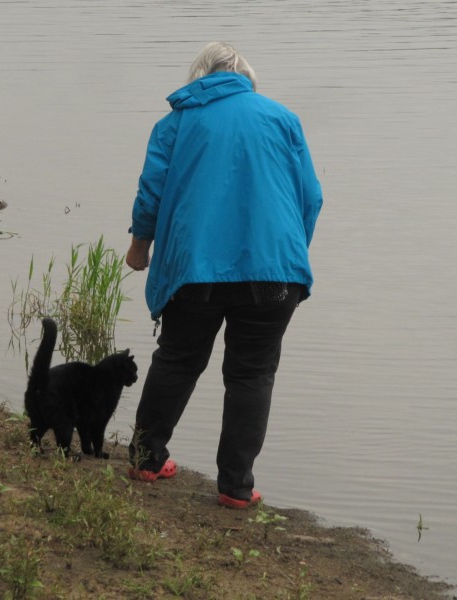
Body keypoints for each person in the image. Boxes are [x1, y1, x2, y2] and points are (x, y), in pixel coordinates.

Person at [125, 42, 323, 509]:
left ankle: (145, 460)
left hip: (196, 272)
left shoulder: (175, 123)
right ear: (247, 79)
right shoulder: (283, 119)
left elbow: (151, 193)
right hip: (275, 276)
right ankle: (235, 487)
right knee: (252, 375)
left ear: (200, 77)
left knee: (177, 358)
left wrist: (140, 246)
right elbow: (310, 198)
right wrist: (288, 253)